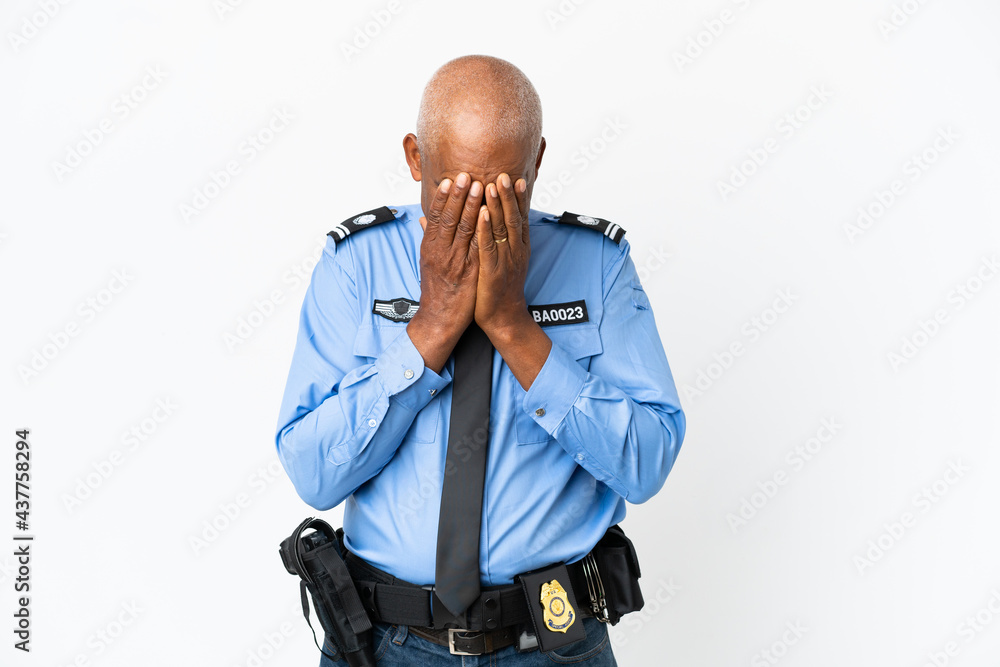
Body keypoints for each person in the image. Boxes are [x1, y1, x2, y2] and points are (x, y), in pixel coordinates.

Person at [275, 54, 686, 665]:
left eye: (505, 190)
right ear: (416, 158)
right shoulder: (356, 265)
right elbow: (315, 475)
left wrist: (515, 330)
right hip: (386, 643)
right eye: (457, 189)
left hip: (549, 642)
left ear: (537, 160)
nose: (481, 214)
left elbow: (646, 464)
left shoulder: (596, 265)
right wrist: (431, 328)